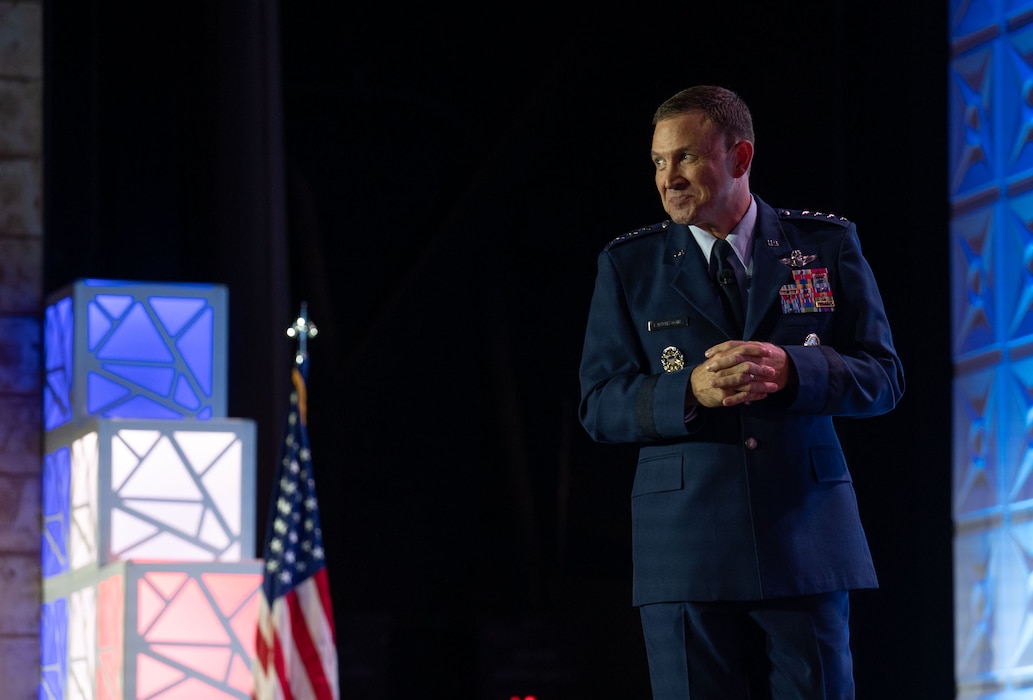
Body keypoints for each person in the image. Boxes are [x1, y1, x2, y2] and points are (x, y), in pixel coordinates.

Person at [577, 85, 904, 699]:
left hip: (805, 542)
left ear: (741, 157)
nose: (668, 177)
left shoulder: (825, 245)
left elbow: (884, 377)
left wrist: (794, 371)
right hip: (686, 550)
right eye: (658, 161)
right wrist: (688, 391)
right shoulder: (629, 265)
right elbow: (599, 404)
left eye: (686, 158)